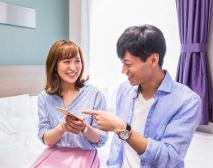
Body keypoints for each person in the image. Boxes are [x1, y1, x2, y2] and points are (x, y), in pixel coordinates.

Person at [83, 25, 201, 168]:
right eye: (122, 63)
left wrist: (122, 129)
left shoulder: (187, 101)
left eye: (128, 64)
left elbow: (170, 158)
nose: (123, 70)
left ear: (153, 60)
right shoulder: (124, 90)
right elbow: (117, 147)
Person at [31, 40, 108, 168]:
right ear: (54, 66)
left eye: (77, 61)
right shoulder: (44, 97)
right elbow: (46, 139)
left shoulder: (95, 95)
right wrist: (62, 128)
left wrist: (84, 128)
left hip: (84, 157)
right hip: (53, 156)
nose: (73, 68)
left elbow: (101, 140)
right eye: (66, 61)